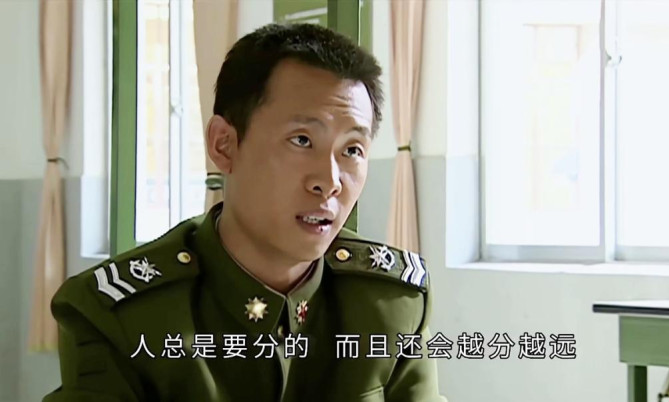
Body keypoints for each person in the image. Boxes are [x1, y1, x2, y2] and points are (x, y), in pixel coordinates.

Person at [44, 23, 445, 402]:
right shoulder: (120, 316)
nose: (329, 181)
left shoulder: (391, 303)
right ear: (224, 145)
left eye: (352, 150)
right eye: (302, 140)